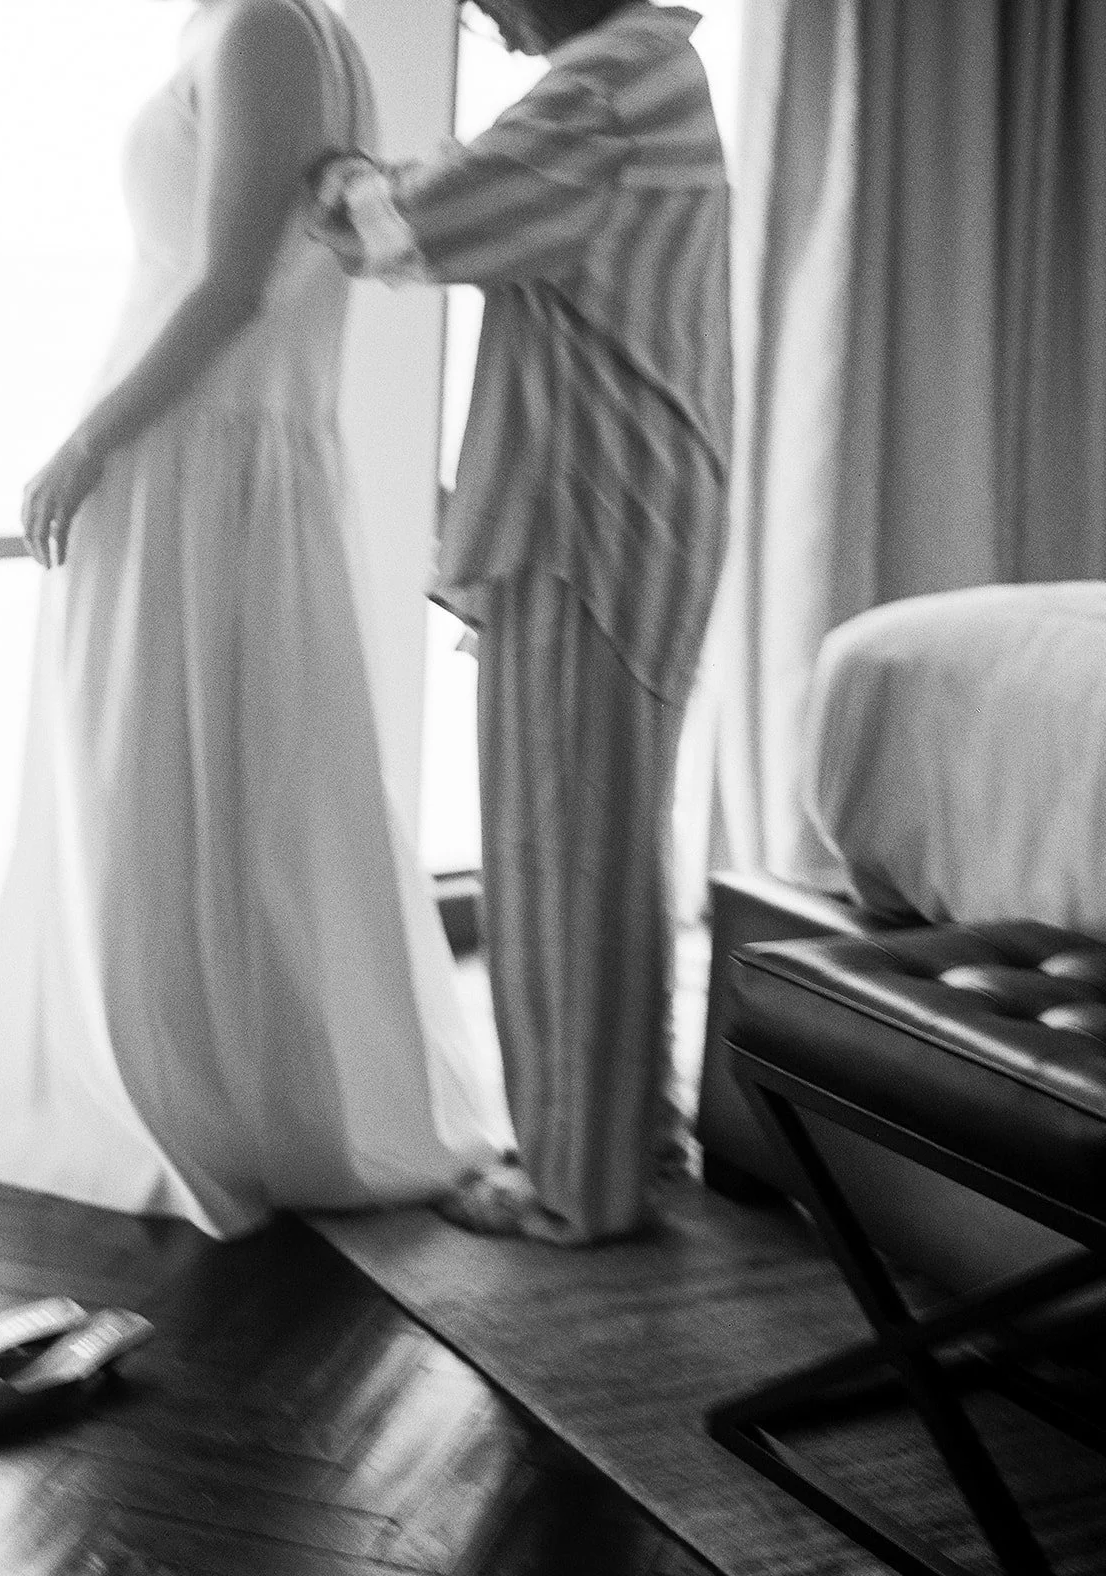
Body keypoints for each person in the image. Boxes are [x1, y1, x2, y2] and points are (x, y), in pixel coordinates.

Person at [0, 0, 514, 1239]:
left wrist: (85, 442)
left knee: (186, 772)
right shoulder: (268, 25)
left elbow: (232, 283)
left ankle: (210, 1099)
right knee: (180, 773)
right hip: (212, 453)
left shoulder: (262, 26)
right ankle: (229, 1084)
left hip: (193, 458)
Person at [311, 0, 731, 1244]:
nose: (481, 11)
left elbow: (420, 221)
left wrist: (333, 172)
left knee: (557, 854)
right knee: (604, 846)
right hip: (638, 499)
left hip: (586, 510)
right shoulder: (652, 68)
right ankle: (624, 1141)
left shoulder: (601, 85)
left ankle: (574, 1186)